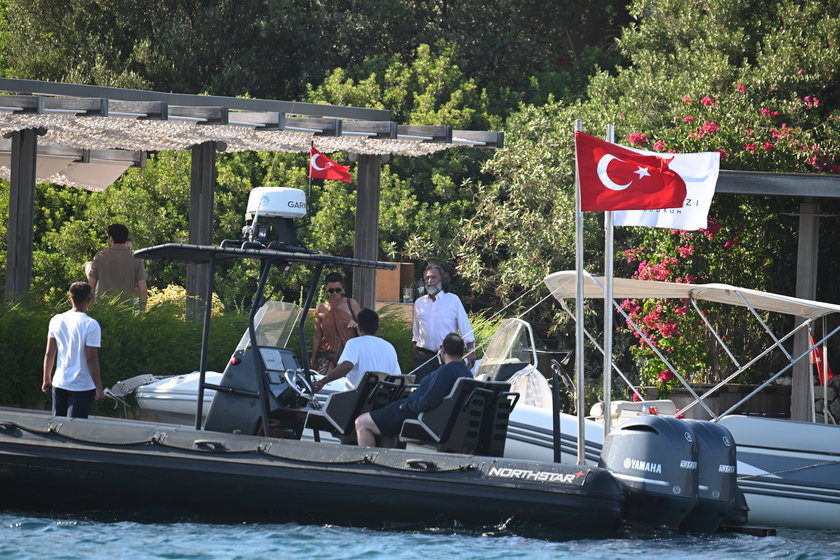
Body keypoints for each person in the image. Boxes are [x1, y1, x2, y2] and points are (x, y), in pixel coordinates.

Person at [355, 332, 472, 448]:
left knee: (362, 422)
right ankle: (384, 458)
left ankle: (366, 459)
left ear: (443, 350)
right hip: (442, 421)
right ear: (462, 352)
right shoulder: (467, 374)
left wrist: (406, 406)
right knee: (386, 429)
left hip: (420, 417)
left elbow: (429, 401)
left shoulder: (445, 371)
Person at [42, 282, 105, 418]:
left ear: (70, 299)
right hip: (81, 385)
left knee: (57, 426)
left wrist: (46, 378)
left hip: (59, 382)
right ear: (89, 300)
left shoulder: (56, 320)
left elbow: (49, 353)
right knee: (75, 427)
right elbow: (91, 359)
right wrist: (99, 389)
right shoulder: (91, 325)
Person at [412, 264, 475, 382]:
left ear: (442, 279)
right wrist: (416, 355)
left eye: (434, 277)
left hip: (446, 356)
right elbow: (416, 333)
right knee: (420, 389)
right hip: (424, 358)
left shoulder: (453, 300)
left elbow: (465, 327)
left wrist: (471, 351)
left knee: (444, 389)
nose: (430, 281)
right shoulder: (419, 303)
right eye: (427, 278)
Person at [312, 308, 401, 392]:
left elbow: (346, 366)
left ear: (359, 327)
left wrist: (323, 381)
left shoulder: (354, 343)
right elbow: (397, 377)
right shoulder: (389, 347)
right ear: (377, 327)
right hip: (382, 398)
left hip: (357, 399)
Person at [310, 272, 362, 374]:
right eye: (331, 290)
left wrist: (357, 326)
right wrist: (313, 358)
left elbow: (365, 328)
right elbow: (317, 336)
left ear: (342, 286)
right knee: (323, 380)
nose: (334, 293)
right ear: (326, 288)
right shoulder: (321, 308)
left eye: (338, 290)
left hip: (347, 353)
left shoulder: (351, 304)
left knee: (345, 381)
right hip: (326, 354)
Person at [87, 223, 148, 311]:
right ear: (125, 238)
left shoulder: (100, 257)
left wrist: (91, 308)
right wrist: (143, 311)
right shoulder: (136, 258)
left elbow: (91, 285)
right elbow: (142, 288)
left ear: (111, 238)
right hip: (126, 310)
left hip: (103, 310)